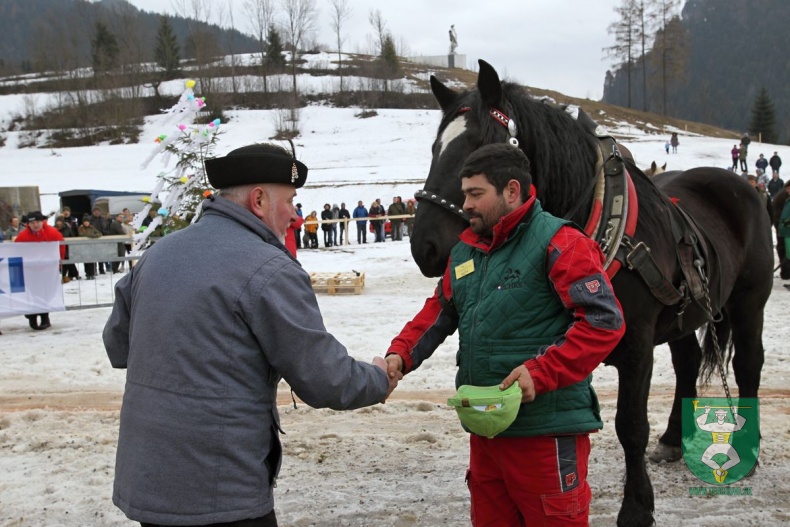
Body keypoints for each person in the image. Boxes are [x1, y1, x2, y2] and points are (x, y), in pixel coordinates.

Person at [102, 143, 400, 527]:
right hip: (220, 488)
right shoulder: (270, 269)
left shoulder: (159, 253)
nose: (295, 215)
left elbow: (117, 346)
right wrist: (377, 378)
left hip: (147, 479)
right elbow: (325, 379)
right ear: (259, 200)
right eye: (291, 201)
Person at [385, 143, 625, 526]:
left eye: (475, 194)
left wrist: (540, 373)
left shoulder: (561, 242)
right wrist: (400, 355)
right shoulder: (466, 252)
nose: (465, 204)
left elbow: (603, 322)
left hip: (546, 436)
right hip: (487, 434)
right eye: (465, 194)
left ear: (511, 191)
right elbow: (438, 312)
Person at [14, 211, 66, 331]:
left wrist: (58, 263)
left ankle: (44, 318)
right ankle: (32, 316)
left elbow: (61, 247)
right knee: (32, 294)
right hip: (30, 272)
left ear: (42, 222)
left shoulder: (52, 233)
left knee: (45, 294)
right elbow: (16, 250)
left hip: (47, 271)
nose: (35, 225)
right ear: (28, 224)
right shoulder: (23, 237)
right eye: (32, 223)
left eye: (37, 222)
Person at [54, 216, 80, 281]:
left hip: (66, 247)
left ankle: (65, 275)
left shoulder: (67, 228)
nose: (59, 223)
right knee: (65, 262)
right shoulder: (54, 229)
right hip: (57, 248)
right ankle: (73, 274)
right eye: (57, 221)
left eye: (60, 221)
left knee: (67, 260)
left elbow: (71, 236)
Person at [773, 180, 790, 280]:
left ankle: (786, 272)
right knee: (785, 251)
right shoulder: (784, 197)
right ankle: (786, 272)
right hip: (784, 229)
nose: (787, 191)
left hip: (783, 228)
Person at [78, 215, 102, 279]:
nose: (86, 223)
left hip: (91, 246)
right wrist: (92, 235)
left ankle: (92, 273)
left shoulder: (92, 228)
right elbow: (82, 235)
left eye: (87, 221)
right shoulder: (80, 228)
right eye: (85, 222)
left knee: (92, 260)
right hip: (84, 247)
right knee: (86, 261)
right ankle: (87, 273)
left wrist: (95, 236)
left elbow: (99, 233)